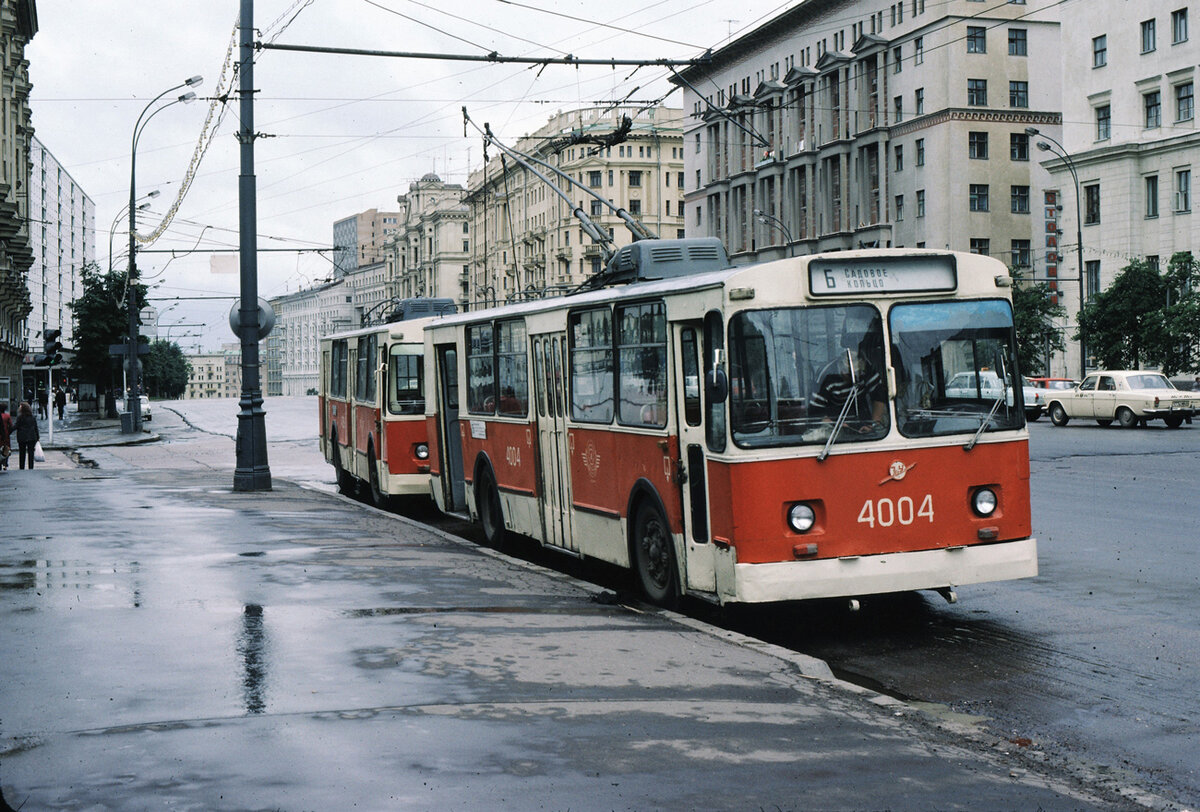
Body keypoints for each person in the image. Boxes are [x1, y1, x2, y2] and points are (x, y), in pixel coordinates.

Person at [811, 333, 888, 434]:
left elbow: (879, 396)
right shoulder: (826, 375)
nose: (853, 380)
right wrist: (834, 424)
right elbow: (815, 411)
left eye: (857, 375)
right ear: (841, 370)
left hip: (860, 412)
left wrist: (872, 424)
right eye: (850, 375)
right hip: (833, 415)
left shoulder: (867, 369)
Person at [14, 401, 39, 470]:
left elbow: (16, 426)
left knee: (22, 452)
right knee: (31, 453)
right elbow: (35, 427)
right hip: (31, 436)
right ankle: (31, 467)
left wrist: (8, 431)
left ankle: (22, 467)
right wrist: (37, 437)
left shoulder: (20, 417)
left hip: (22, 437)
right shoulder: (32, 417)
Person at [0, 401, 11, 471]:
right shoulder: (7, 416)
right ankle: (5, 464)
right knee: (5, 450)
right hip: (5, 435)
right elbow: (10, 425)